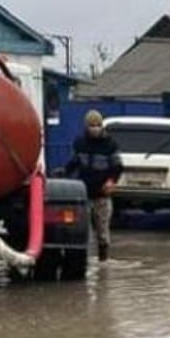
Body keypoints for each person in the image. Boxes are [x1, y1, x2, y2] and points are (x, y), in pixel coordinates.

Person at [65, 109, 124, 262]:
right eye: (92, 125)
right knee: (83, 231)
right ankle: (83, 261)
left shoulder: (110, 144)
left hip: (102, 195)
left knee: (102, 232)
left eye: (98, 125)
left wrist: (111, 181)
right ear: (86, 126)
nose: (95, 128)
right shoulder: (80, 143)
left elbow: (117, 167)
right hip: (83, 193)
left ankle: (103, 260)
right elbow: (72, 164)